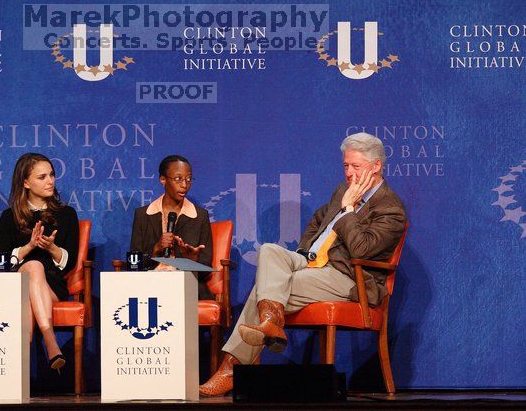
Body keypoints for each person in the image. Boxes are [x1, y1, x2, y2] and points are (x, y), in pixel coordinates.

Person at [199, 133, 407, 396]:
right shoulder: (342, 190)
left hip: (348, 277)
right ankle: (270, 321)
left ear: (376, 166)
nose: (349, 174)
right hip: (312, 263)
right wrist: (304, 253)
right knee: (269, 251)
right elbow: (319, 220)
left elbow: (361, 248)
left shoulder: (390, 208)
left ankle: (232, 366)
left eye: (356, 166)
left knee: (267, 288)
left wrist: (349, 210)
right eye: (346, 166)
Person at [0, 153, 79, 372]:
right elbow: (1, 262)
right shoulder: (9, 217)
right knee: (32, 268)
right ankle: (50, 340)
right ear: (25, 182)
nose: (50, 181)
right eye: (42, 177)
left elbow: (69, 263)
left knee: (35, 271)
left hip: (51, 286)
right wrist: (30, 246)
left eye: (51, 175)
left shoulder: (67, 215)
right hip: (16, 287)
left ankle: (15, 373)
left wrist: (51, 247)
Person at [130, 155, 213, 300]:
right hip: (150, 284)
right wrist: (155, 251)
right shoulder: (143, 214)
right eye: (178, 179)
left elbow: (206, 267)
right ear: (163, 180)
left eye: (188, 179)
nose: (184, 185)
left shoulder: (200, 216)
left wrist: (192, 260)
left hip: (186, 285)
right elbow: (133, 264)